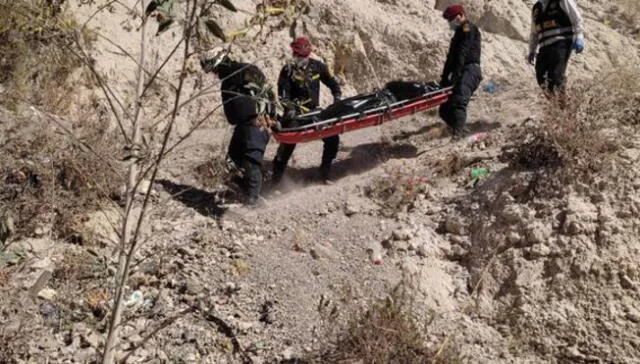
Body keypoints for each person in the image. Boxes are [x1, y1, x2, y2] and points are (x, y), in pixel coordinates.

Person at [200, 47, 276, 206]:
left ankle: (253, 201)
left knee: (251, 162)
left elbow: (266, 92)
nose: (214, 73)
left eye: (214, 69)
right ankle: (243, 194)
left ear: (219, 63)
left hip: (255, 124)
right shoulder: (228, 79)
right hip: (242, 127)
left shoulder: (243, 71)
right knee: (232, 163)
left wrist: (270, 116)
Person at [272, 37, 342, 184]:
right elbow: (283, 96)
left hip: (314, 112)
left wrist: (337, 96)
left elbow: (331, 82)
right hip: (296, 115)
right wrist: (290, 109)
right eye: (298, 56)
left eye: (304, 56)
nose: (302, 59)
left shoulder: (318, 67)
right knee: (288, 143)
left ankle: (324, 172)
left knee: (333, 138)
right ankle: (276, 180)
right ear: (293, 54)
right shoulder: (287, 71)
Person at [438, 4, 482, 138]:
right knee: (445, 109)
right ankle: (460, 129)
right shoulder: (458, 34)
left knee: (459, 100)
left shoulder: (467, 27)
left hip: (470, 69)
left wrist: (455, 75)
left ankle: (458, 134)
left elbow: (462, 52)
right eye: (449, 19)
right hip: (462, 70)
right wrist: (444, 78)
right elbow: (451, 58)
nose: (452, 21)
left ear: (462, 15)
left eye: (454, 17)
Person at [528, 0, 585, 95]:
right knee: (541, 78)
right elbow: (534, 32)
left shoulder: (563, 1)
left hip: (561, 43)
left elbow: (576, 19)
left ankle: (561, 106)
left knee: (555, 77)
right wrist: (532, 50)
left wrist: (579, 37)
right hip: (544, 47)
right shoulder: (536, 8)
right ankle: (555, 104)